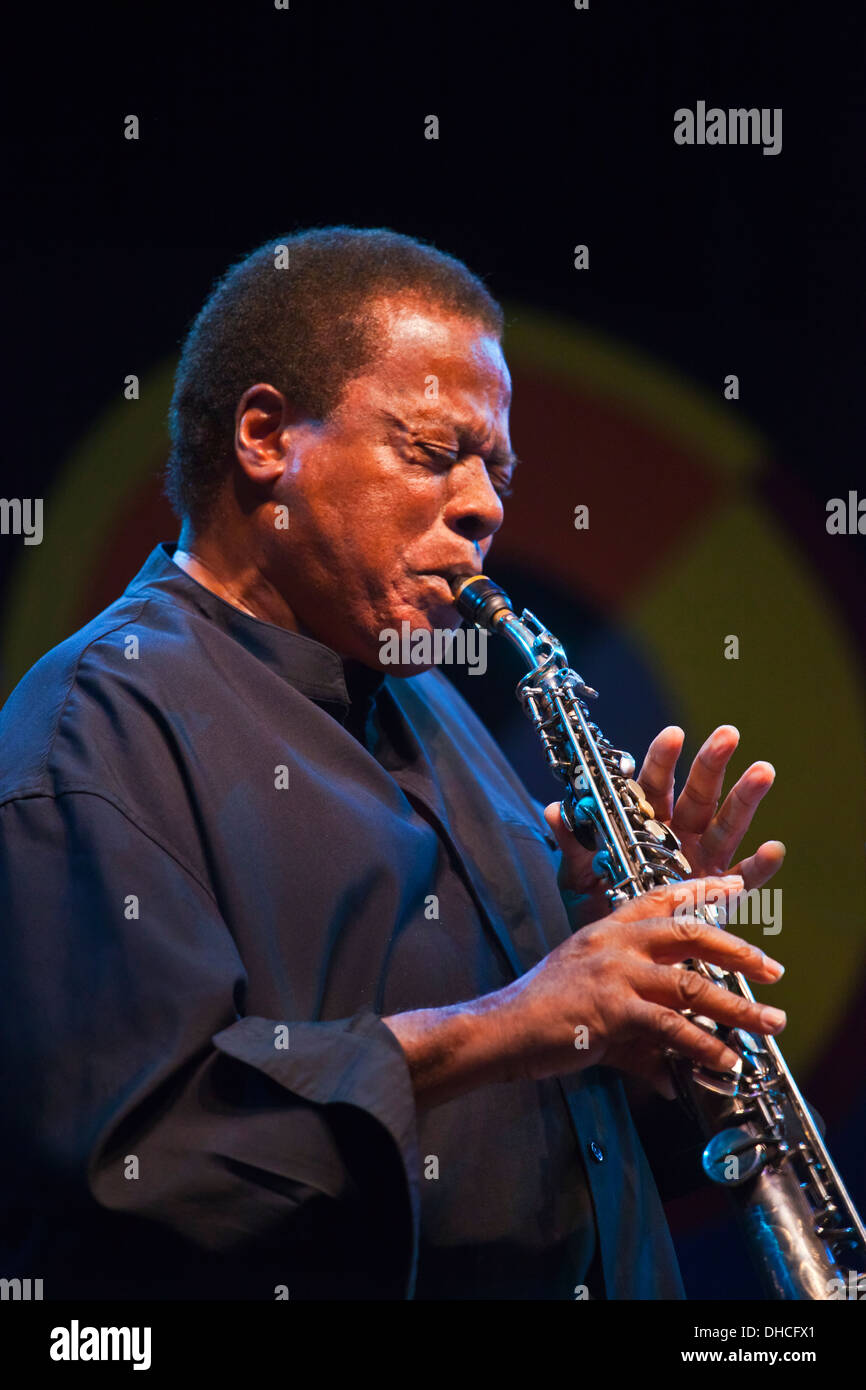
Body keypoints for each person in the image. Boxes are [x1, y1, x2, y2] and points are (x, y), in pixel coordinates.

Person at [0, 227, 787, 1300]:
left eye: (495, 469)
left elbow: (530, 1113)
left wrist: (622, 966)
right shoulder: (99, 715)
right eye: (433, 452)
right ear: (267, 436)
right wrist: (516, 1017)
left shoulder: (437, 707)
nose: (484, 505)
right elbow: (135, 1156)